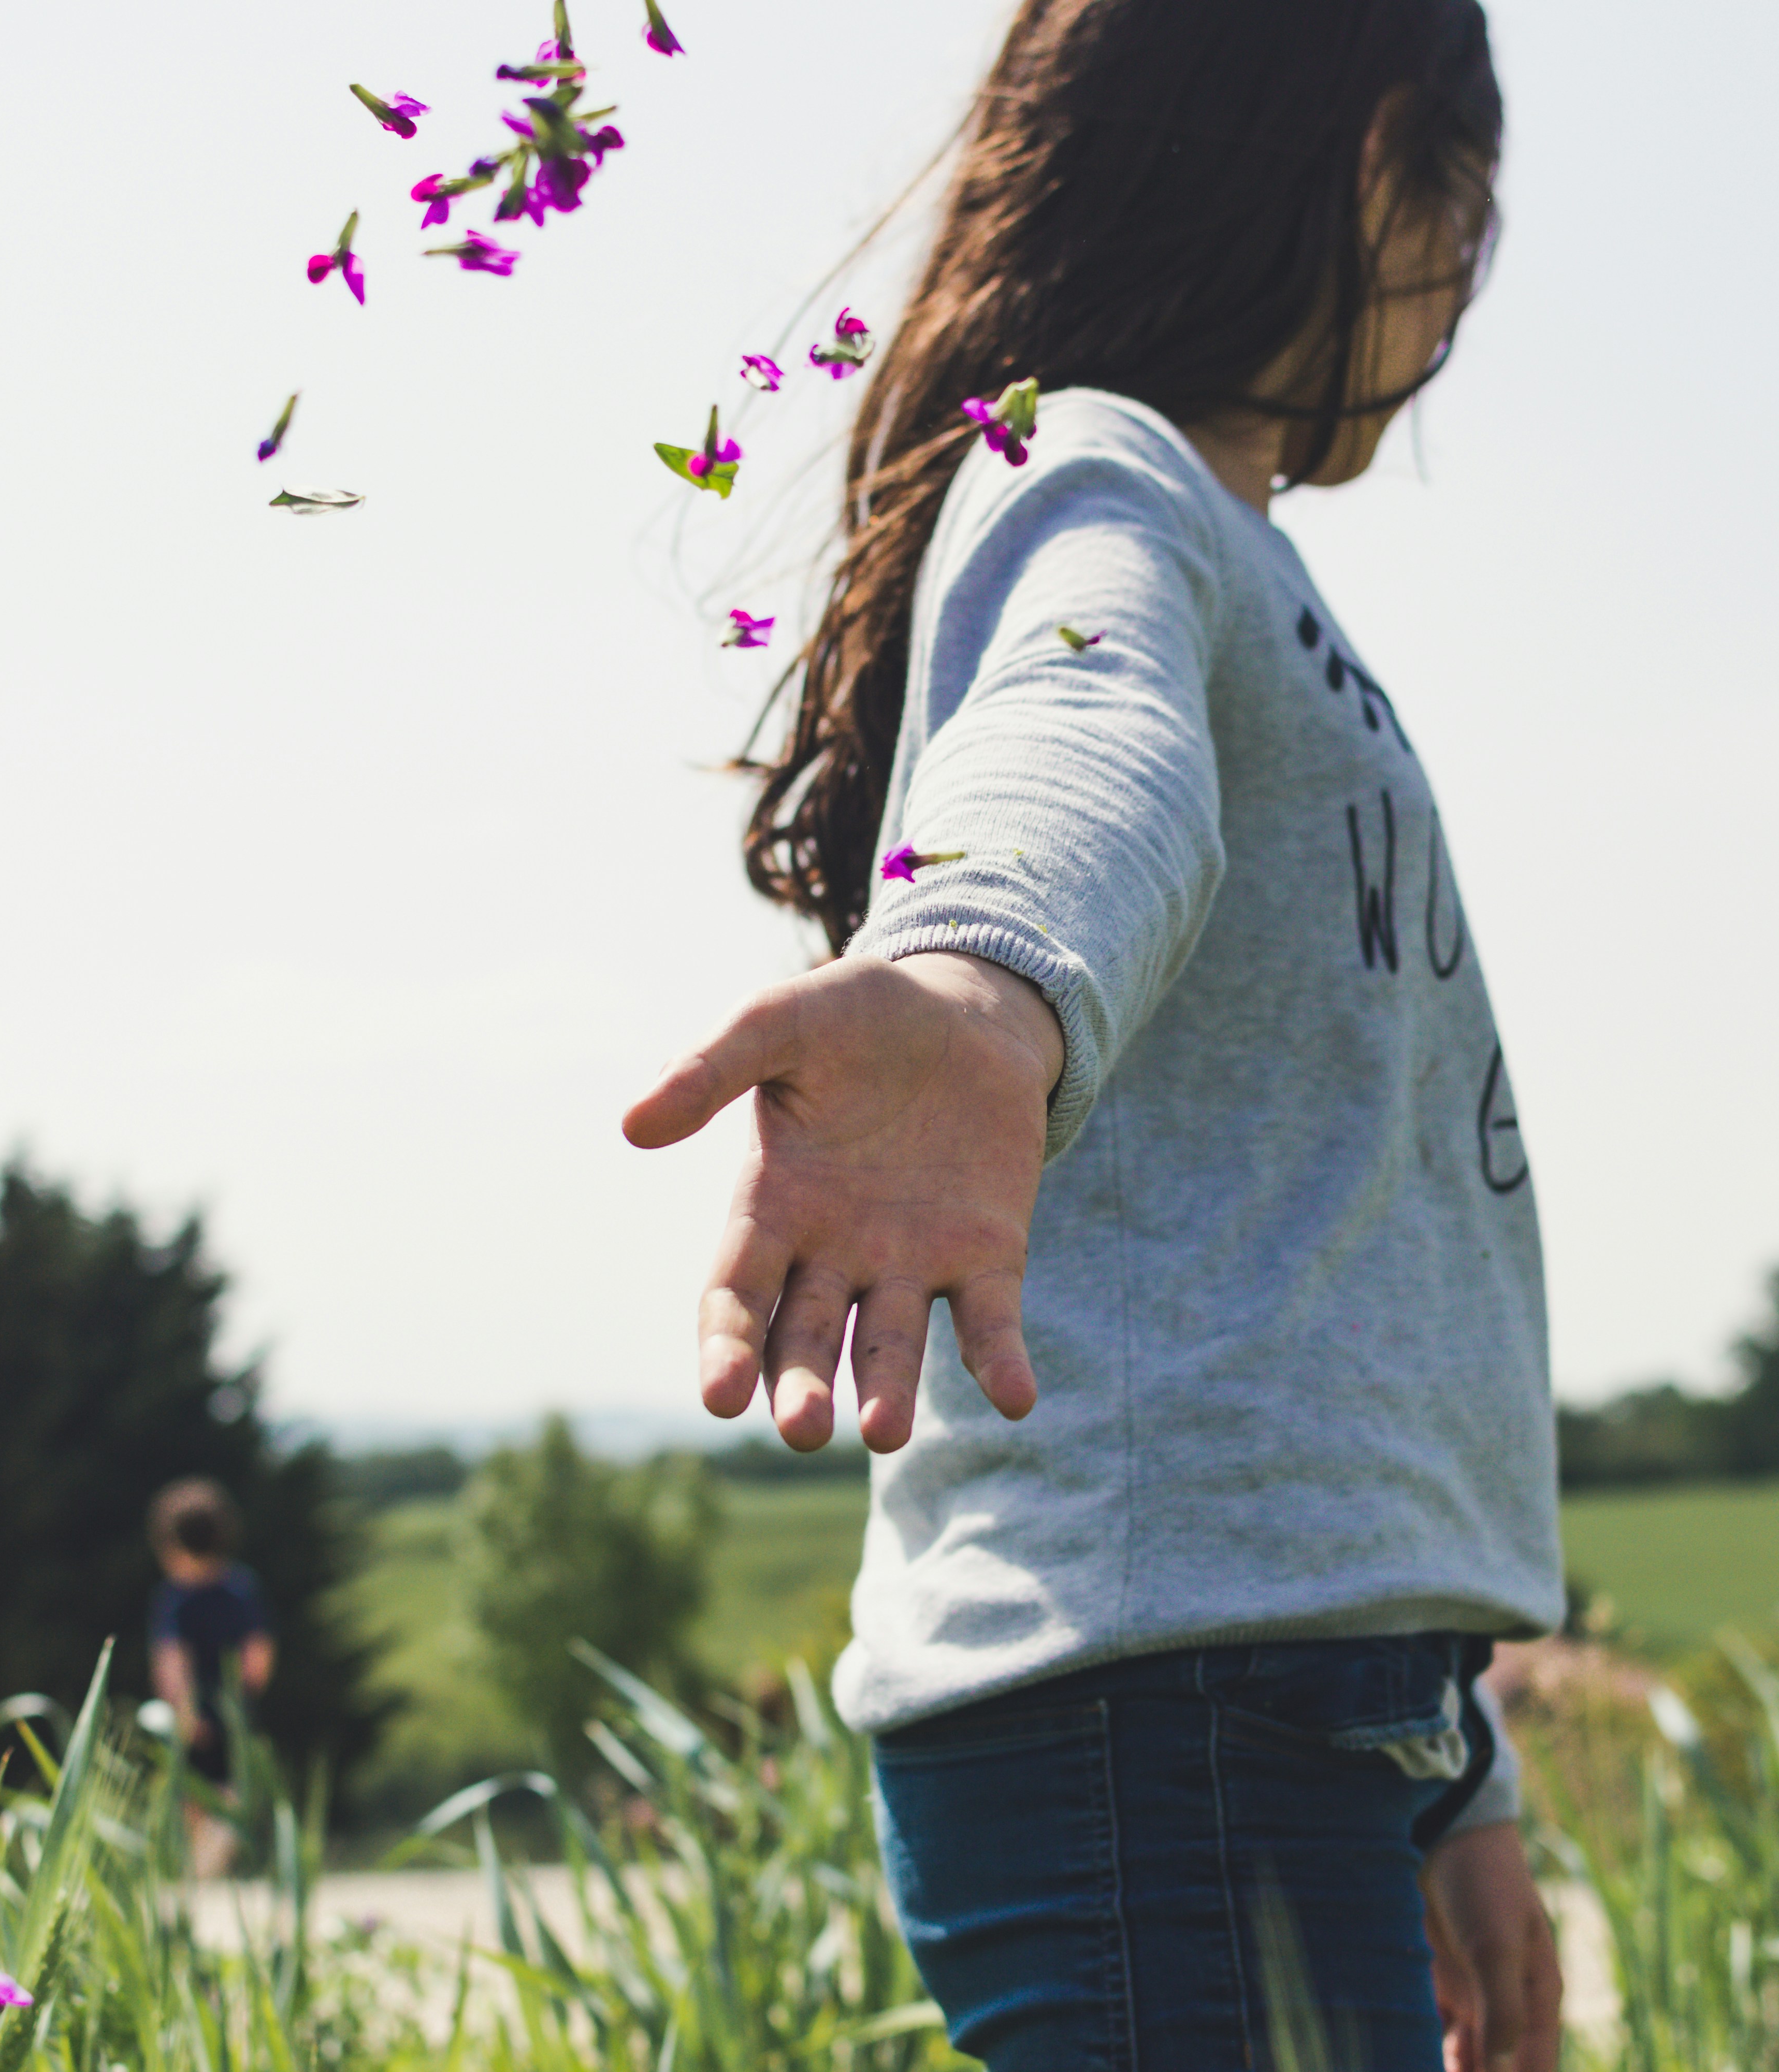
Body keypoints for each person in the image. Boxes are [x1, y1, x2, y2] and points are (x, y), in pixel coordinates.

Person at [622, 3, 1566, 2065]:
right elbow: (1084, 728)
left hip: (1279, 1698)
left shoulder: (1250, 569)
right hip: (1162, 1709)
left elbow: (1327, 1276)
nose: (1453, 321)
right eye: (1463, 230)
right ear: (1381, 164)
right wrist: (982, 968)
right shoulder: (1093, 468)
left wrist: (1457, 1759)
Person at [145, 1477, 274, 1878]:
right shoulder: (242, 1588)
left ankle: (199, 1871)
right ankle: (213, 1864)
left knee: (194, 1795)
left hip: (195, 1714)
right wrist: (249, 1694)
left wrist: (182, 1710)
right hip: (233, 1709)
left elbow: (171, 1660)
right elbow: (259, 1653)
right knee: (233, 1789)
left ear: (169, 1544)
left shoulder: (175, 1598)